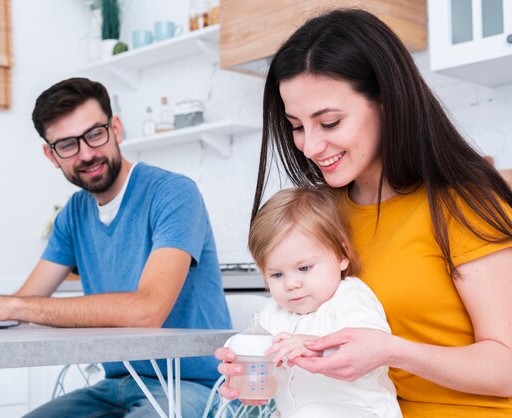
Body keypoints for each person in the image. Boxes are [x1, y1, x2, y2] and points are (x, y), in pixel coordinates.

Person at [215, 8, 512, 418]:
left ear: (388, 102)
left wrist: (391, 352)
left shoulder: (460, 204)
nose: (311, 146)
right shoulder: (321, 214)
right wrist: (259, 362)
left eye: (330, 122)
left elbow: (507, 367)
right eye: (297, 126)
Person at [0, 77, 232, 417]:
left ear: (116, 128)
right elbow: (24, 304)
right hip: (116, 384)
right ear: (51, 154)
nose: (87, 153)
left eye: (95, 134)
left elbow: (147, 311)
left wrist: (10, 306)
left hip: (194, 385)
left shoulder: (173, 193)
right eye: (68, 145)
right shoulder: (73, 216)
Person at [246, 187, 401, 417]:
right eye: (277, 275)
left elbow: (372, 348)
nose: (291, 284)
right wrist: (245, 363)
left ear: (342, 255)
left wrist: (315, 346)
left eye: (305, 268)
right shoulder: (274, 311)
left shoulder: (350, 297)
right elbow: (259, 354)